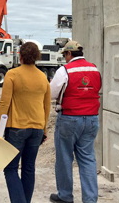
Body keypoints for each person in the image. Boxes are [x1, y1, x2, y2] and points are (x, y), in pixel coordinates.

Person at [0, 42, 51, 203]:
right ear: (37, 57)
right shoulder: (43, 77)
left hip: (17, 128)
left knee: (11, 169)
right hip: (37, 129)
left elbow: (4, 104)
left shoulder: (12, 74)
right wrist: (44, 129)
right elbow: (47, 106)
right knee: (28, 169)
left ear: (20, 56)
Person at [49, 41, 102, 203]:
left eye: (65, 55)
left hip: (69, 119)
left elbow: (51, 93)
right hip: (91, 119)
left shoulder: (64, 71)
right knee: (87, 159)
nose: (65, 58)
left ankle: (65, 195)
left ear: (69, 54)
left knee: (65, 158)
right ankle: (90, 199)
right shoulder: (94, 69)